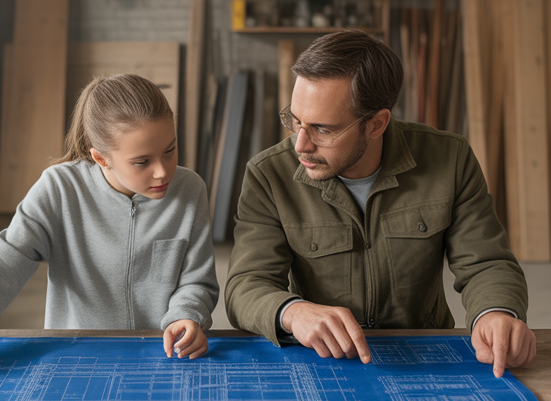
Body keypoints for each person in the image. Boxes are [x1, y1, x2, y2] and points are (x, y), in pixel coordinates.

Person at [224, 30, 534, 377]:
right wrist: (292, 312)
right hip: (322, 359)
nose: (301, 145)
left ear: (376, 124)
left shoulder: (450, 159)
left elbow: (487, 263)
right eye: (295, 121)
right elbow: (245, 286)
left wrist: (496, 312)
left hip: (424, 355)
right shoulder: (269, 175)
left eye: (322, 130)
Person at [0, 74, 218, 378]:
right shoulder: (59, 189)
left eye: (170, 150)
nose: (162, 172)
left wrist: (186, 316)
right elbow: (6, 261)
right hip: (76, 358)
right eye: (142, 162)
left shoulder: (191, 190)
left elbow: (197, 282)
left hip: (164, 358)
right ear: (101, 158)